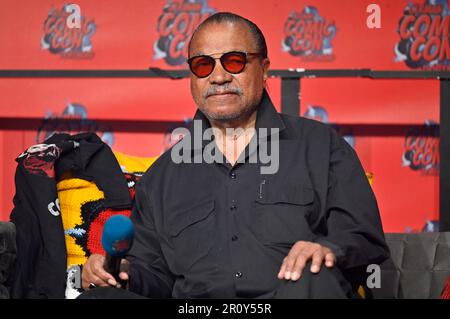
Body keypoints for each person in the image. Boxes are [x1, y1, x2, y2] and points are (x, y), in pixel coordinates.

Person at [80, 12, 390, 299]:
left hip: (295, 294)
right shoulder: (163, 177)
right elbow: (156, 276)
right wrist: (123, 273)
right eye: (203, 65)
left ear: (264, 69)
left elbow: (364, 237)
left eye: (234, 61)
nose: (218, 77)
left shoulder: (319, 146)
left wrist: (326, 248)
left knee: (313, 275)